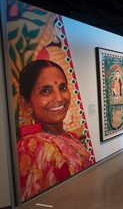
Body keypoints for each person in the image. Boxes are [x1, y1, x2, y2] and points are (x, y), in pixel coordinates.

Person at [17, 59, 93, 201]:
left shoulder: (70, 136)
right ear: (26, 103)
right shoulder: (32, 146)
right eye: (45, 91)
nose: (59, 98)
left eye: (63, 88)